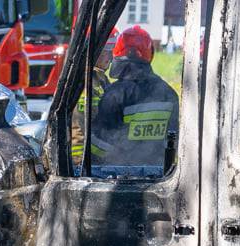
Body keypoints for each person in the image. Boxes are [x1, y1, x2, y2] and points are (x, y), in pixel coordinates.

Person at [91, 25, 179, 169]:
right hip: (159, 176)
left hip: (119, 176)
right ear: (150, 53)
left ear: (120, 53)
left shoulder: (115, 95)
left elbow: (98, 145)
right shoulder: (169, 94)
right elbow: (173, 140)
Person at [71, 33, 116, 167]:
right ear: (96, 52)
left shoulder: (101, 80)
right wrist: (79, 164)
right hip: (84, 160)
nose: (111, 57)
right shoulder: (86, 83)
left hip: (96, 156)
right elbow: (79, 128)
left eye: (112, 51)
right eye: (107, 52)